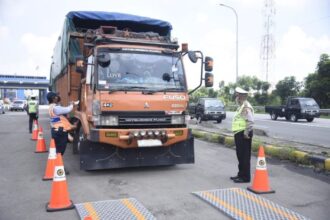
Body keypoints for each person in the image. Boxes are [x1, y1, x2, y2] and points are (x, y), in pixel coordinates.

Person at [230, 87, 254, 183]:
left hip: (244, 134)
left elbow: (250, 121)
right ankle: (240, 174)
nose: (237, 96)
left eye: (239, 95)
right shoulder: (241, 106)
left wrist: (246, 133)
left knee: (244, 156)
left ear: (243, 96)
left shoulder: (245, 107)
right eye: (237, 94)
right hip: (239, 133)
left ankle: (245, 177)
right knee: (240, 155)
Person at [47, 92, 77, 158]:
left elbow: (57, 120)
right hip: (60, 132)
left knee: (58, 149)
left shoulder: (51, 107)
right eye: (56, 96)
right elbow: (67, 110)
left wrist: (71, 126)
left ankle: (56, 164)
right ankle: (57, 165)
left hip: (56, 130)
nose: (57, 97)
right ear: (53, 98)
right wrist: (72, 105)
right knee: (60, 151)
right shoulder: (56, 108)